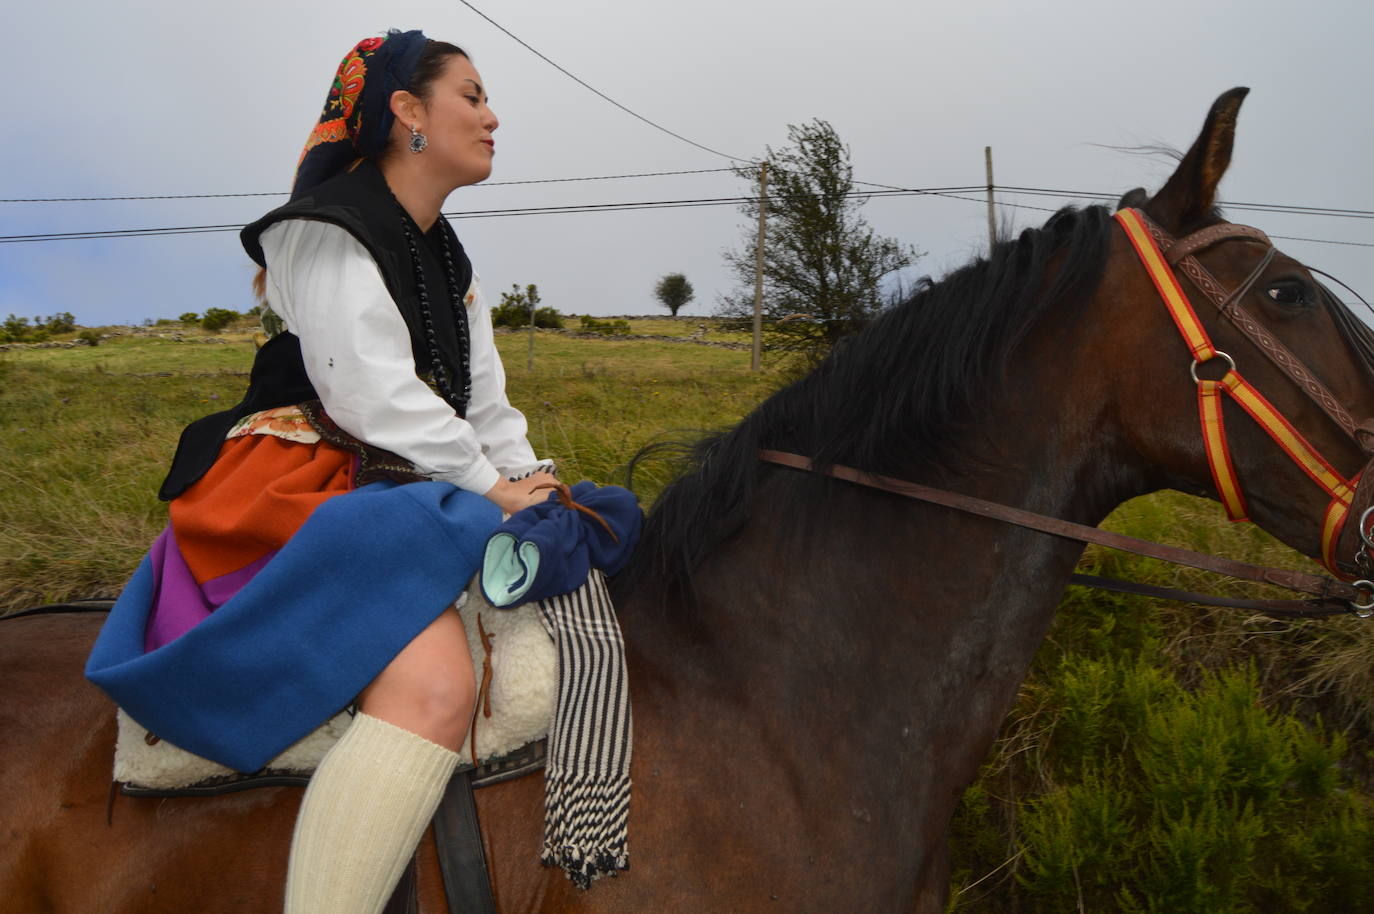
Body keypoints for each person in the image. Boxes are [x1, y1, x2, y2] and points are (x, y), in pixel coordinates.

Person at [86, 29, 555, 913]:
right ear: (408, 112)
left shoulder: (449, 257)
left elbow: (483, 403)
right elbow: (368, 392)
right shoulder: (327, 228)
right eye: (472, 95)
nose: (493, 117)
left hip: (409, 477)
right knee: (435, 688)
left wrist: (534, 478)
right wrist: (493, 489)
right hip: (302, 481)